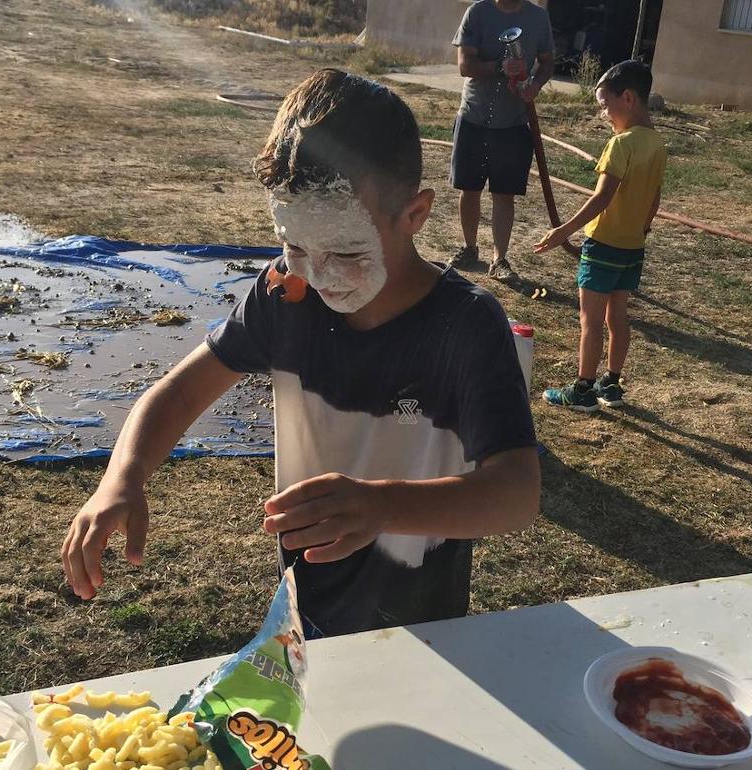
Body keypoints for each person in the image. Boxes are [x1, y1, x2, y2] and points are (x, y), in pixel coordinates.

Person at [60, 69, 541, 637]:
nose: (316, 274)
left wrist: (382, 507)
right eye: (293, 245)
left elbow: (516, 493)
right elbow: (182, 389)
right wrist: (124, 477)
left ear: (414, 215)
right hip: (303, 610)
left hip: (423, 623)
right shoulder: (283, 296)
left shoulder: (465, 324)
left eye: (344, 251)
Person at [533, 60, 665, 413]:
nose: (604, 113)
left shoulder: (621, 145)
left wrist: (563, 231)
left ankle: (582, 390)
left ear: (628, 99)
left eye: (605, 104)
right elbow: (654, 198)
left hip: (603, 244)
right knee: (617, 317)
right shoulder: (657, 144)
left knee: (590, 321)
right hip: (633, 247)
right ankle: (612, 384)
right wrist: (643, 229)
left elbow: (602, 197)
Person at [449, 0, 555, 279]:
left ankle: (500, 260)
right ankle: (470, 248)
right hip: (474, 115)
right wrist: (500, 67)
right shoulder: (477, 12)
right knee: (469, 188)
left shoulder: (537, 17)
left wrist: (534, 85)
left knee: (504, 193)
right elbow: (465, 65)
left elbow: (547, 62)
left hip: (514, 120)